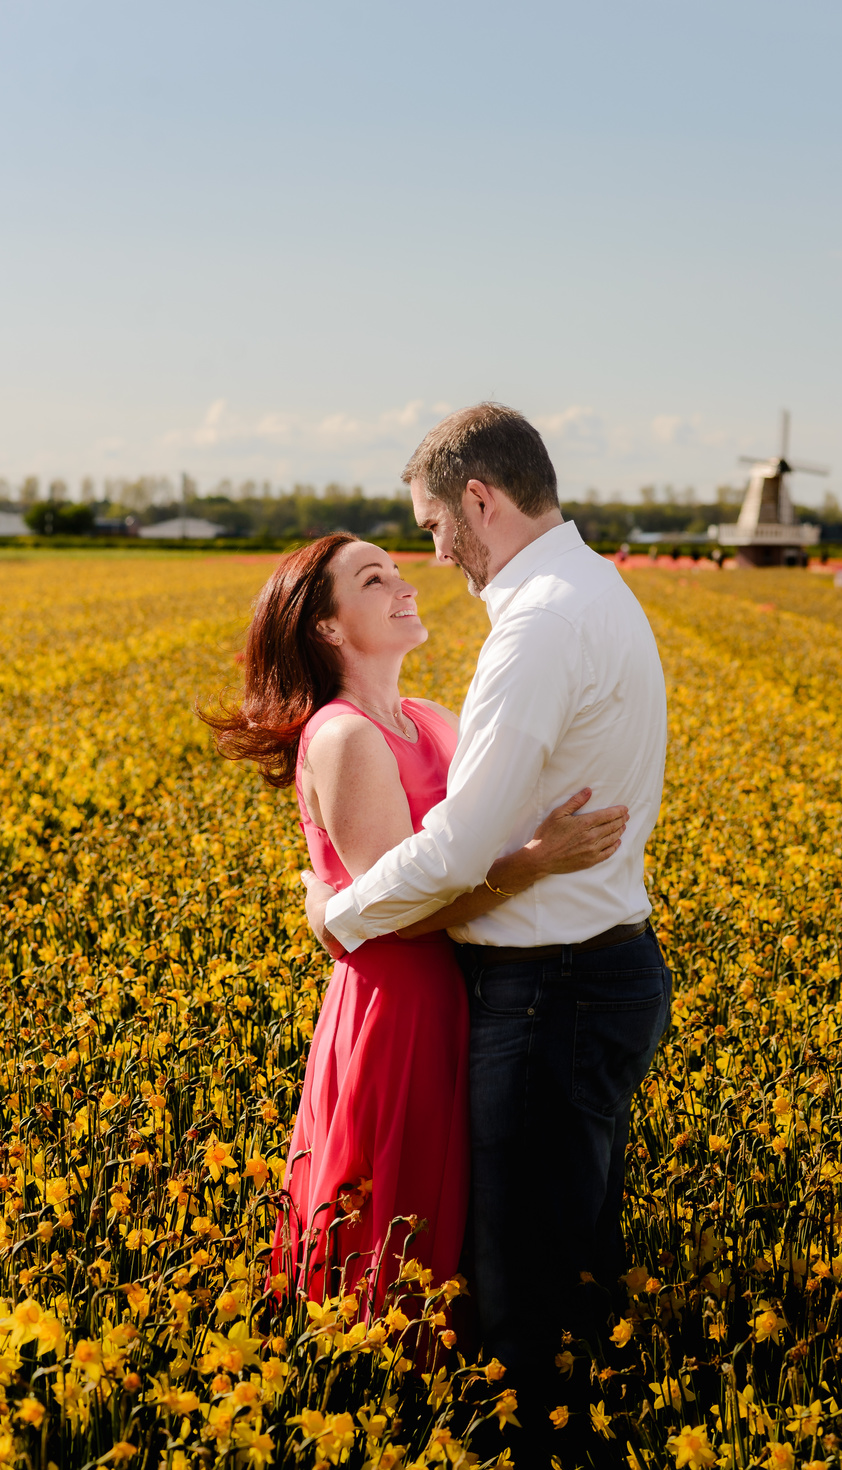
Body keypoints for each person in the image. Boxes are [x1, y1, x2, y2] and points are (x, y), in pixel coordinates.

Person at [303, 403, 671, 1431]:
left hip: (550, 992)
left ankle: (546, 1442)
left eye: (430, 526)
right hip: (588, 975)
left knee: (520, 1299)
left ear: (479, 498)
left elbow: (462, 848)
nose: (434, 552)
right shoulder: (590, 590)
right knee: (576, 1264)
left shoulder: (541, 623)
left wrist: (344, 912)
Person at [204, 532, 627, 1311]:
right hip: (400, 1007)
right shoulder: (344, 736)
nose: (405, 585)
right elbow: (400, 911)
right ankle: (382, 1392)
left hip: (459, 989)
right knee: (398, 1219)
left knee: (461, 1215)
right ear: (327, 626)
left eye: (399, 571)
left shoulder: (428, 716)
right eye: (374, 580)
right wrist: (533, 862)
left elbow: (481, 839)